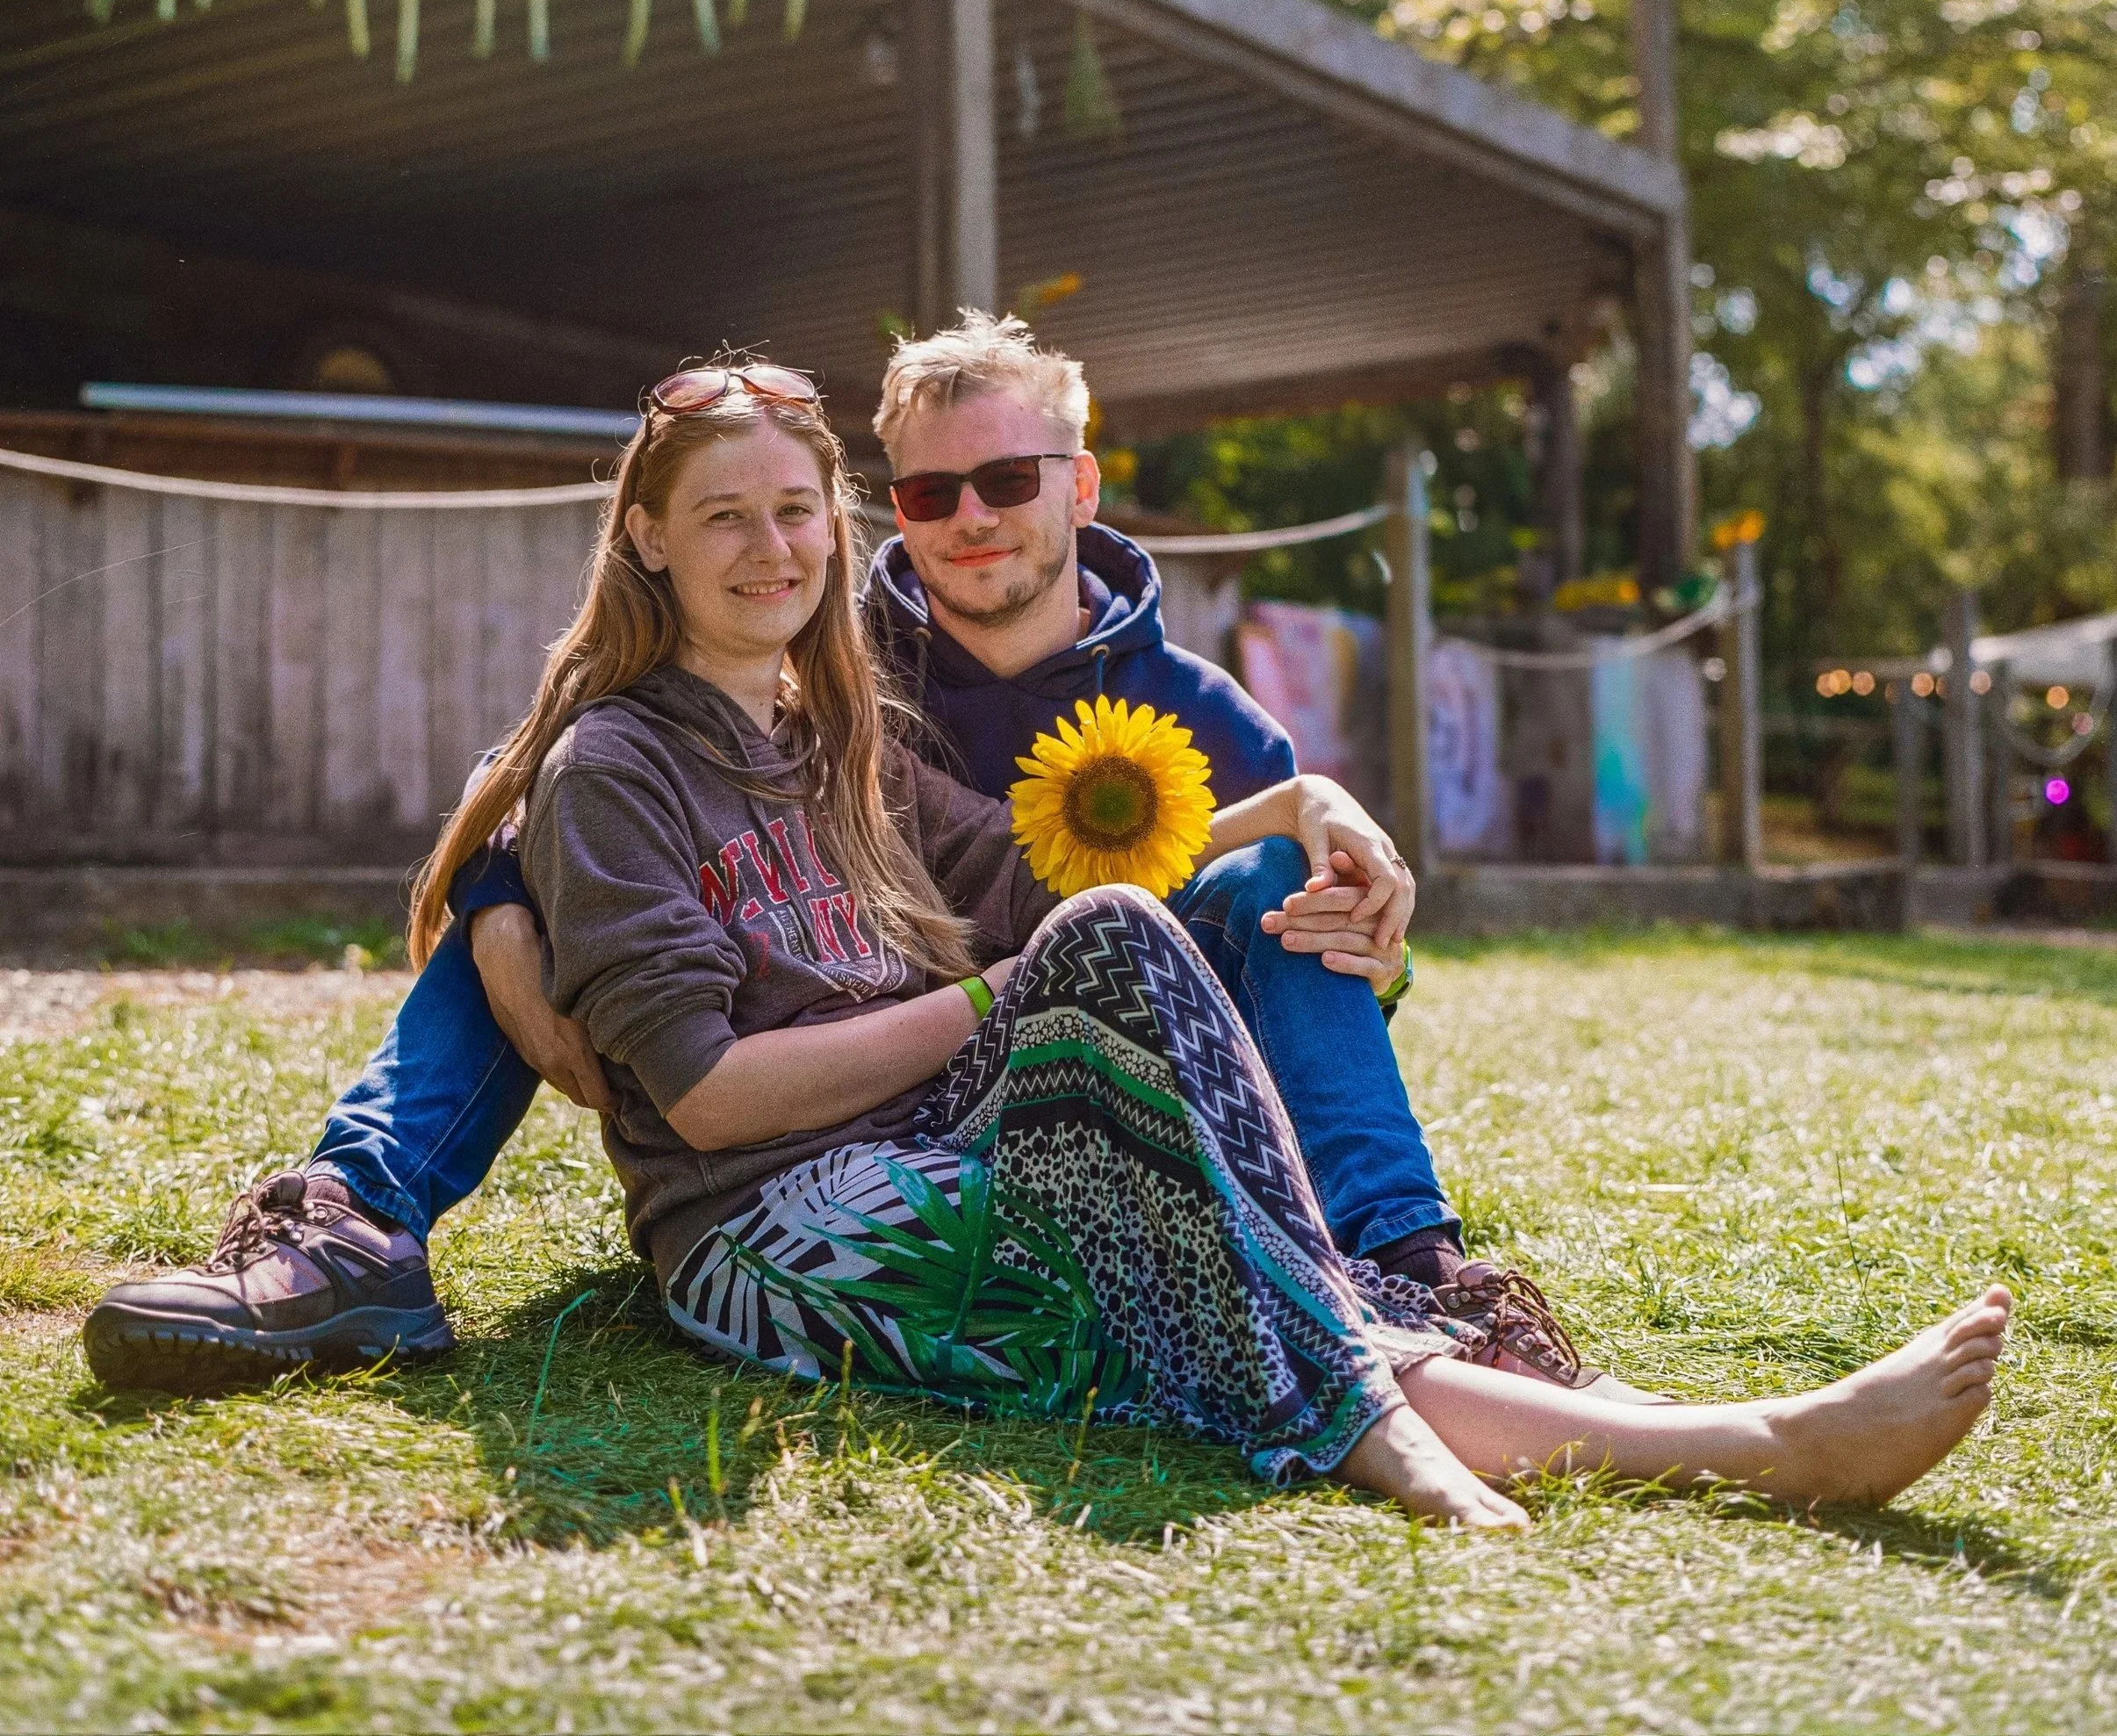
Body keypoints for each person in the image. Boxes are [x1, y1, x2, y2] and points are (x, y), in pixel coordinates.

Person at [236, 362, 2019, 1527]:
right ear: (646, 536)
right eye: (727, 514)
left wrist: (1302, 797)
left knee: (1127, 996)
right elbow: (702, 1103)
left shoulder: (841, 724)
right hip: (767, 1218)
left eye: (799, 511)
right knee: (1164, 1224)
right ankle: (1720, 1441)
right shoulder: (624, 759)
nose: (779, 544)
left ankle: (1405, 1344)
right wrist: (503, 902)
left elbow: (1080, 884)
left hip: (919, 1147)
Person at [83, 324, 1576, 1395]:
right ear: (889, 509)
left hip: (1020, 1046)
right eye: (929, 493)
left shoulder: (1187, 713)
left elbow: (1257, 962)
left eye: (1008, 479)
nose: (971, 517)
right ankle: (357, 1218)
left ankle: (1418, 1267)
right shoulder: (833, 643)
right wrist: (492, 895)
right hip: (811, 1053)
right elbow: (590, 735)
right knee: (547, 881)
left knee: (1246, 884)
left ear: (1081, 484)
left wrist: (1317, 810)